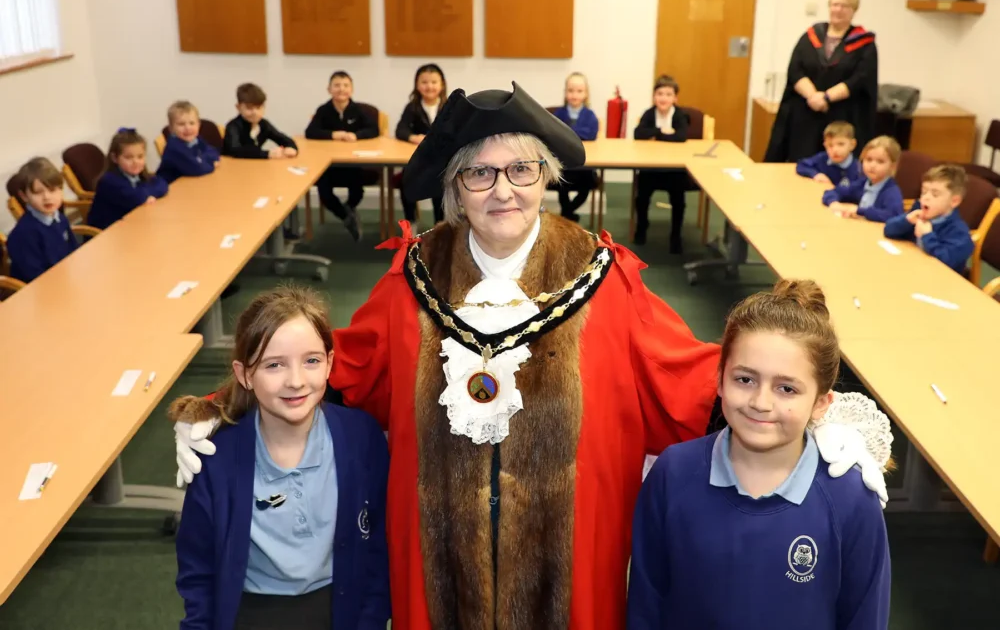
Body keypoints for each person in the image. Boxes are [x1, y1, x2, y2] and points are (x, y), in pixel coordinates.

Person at [172, 82, 889, 630]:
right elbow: (335, 373)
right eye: (479, 174)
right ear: (455, 189)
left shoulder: (605, 279)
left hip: (568, 576)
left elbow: (695, 376)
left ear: (545, 177)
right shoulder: (410, 282)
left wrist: (826, 425)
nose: (502, 189)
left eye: (520, 168)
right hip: (437, 568)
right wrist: (219, 414)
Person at [628, 280, 891, 629]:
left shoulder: (851, 499)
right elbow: (647, 603)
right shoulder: (673, 474)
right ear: (720, 380)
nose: (761, 403)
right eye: (745, 380)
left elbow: (864, 617)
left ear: (821, 403)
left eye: (787, 389)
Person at [173, 287, 390, 630]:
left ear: (331, 363)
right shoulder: (217, 458)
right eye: (274, 365)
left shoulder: (361, 437)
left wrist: (371, 621)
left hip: (340, 609)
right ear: (244, 375)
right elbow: (198, 570)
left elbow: (378, 549)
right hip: (250, 613)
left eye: (312, 361)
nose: (296, 381)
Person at [764, 0, 877, 163]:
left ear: (854, 10)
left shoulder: (864, 43)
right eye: (835, 4)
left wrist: (826, 97)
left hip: (841, 115)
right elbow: (795, 70)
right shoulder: (811, 35)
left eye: (845, 6)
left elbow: (860, 79)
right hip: (805, 114)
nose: (838, 9)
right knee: (800, 162)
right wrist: (813, 97)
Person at [306, 71, 379, 241]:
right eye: (337, 85)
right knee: (323, 190)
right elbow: (310, 132)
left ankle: (348, 208)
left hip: (353, 164)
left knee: (358, 191)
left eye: (346, 85)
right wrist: (333, 135)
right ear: (329, 89)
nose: (341, 89)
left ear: (351, 89)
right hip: (329, 166)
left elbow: (373, 129)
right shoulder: (323, 110)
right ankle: (346, 217)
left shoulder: (358, 110)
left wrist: (357, 136)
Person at [633, 74, 694, 252]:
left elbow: (681, 136)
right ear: (654, 97)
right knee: (642, 197)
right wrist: (662, 131)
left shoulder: (680, 115)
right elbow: (638, 133)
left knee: (678, 200)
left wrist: (656, 135)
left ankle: (676, 235)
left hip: (674, 171)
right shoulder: (649, 113)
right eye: (660, 94)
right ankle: (641, 228)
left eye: (668, 94)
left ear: (675, 98)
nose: (663, 98)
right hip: (651, 169)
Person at [884, 164, 974, 273]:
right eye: (924, 192)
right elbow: (888, 230)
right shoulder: (918, 210)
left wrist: (927, 236)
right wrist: (906, 220)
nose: (926, 198)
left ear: (954, 201)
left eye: (935, 195)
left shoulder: (959, 233)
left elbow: (944, 262)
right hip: (912, 268)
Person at [6, 158, 79, 282]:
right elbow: (35, 277)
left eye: (53, 190)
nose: (47, 198)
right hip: (42, 290)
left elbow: (75, 250)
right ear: (24, 196)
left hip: (66, 277)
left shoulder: (60, 218)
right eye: (38, 192)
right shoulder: (22, 235)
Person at [395, 63, 447, 225]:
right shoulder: (413, 107)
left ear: (442, 85)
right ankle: (411, 223)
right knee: (406, 179)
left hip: (442, 162)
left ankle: (440, 225)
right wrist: (413, 137)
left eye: (434, 82)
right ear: (417, 85)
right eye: (424, 82)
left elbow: (459, 130)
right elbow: (400, 130)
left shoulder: (449, 107)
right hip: (418, 160)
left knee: (440, 183)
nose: (429, 86)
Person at [87, 129, 168, 230]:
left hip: (130, 225)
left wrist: (147, 194)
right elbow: (137, 198)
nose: (135, 162)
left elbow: (162, 183)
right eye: (128, 157)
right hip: (107, 234)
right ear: (115, 158)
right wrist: (147, 194)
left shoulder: (138, 174)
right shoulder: (109, 181)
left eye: (140, 157)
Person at [550, 72, 599, 222]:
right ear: (565, 93)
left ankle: (567, 213)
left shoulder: (590, 115)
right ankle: (569, 214)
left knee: (587, 186)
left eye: (579, 91)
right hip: (564, 164)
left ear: (586, 94)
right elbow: (555, 132)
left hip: (584, 164)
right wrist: (577, 133)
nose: (574, 95)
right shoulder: (559, 113)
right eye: (571, 91)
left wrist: (569, 132)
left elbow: (590, 133)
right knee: (561, 185)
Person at [822, 136, 903, 223]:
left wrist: (859, 211)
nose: (872, 165)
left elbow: (893, 216)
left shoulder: (891, 191)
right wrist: (833, 202)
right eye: (868, 160)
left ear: (892, 166)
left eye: (880, 161)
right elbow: (833, 192)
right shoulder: (862, 183)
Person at [223, 83, 299, 160]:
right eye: (249, 108)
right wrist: (267, 154)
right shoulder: (233, 126)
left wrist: (291, 148)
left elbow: (282, 138)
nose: (255, 112)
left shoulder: (263, 124)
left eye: (259, 107)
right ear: (238, 107)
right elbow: (235, 150)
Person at [157, 100, 221, 184]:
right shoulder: (174, 147)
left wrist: (202, 160)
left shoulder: (195, 139)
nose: (187, 128)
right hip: (172, 187)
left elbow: (213, 151)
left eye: (192, 123)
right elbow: (198, 169)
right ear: (171, 128)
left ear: (198, 125)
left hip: (190, 181)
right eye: (181, 124)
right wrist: (211, 163)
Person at [795, 121, 862, 189]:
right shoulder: (822, 158)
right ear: (825, 145)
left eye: (841, 144)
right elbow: (802, 165)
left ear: (852, 145)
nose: (835, 150)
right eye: (830, 145)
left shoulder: (859, 168)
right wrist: (816, 175)